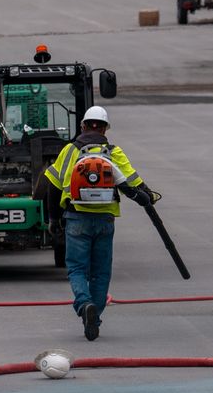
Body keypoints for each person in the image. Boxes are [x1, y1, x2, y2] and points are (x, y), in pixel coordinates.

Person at [41, 105, 158, 341]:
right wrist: (148, 196)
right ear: (105, 129)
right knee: (101, 272)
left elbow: (52, 186)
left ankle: (85, 305)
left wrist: (53, 218)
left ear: (83, 126)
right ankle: (95, 313)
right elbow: (132, 182)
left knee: (76, 269)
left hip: (76, 218)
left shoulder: (69, 151)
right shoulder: (114, 152)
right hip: (105, 219)